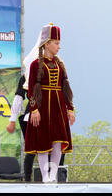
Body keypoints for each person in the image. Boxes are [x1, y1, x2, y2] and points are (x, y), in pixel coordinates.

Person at [24, 23, 75, 183]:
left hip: (58, 106)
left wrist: (70, 108)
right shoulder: (35, 65)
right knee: (42, 142)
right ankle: (45, 177)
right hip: (43, 106)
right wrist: (34, 109)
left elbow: (66, 88)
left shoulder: (60, 64)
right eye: (56, 43)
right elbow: (31, 89)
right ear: (47, 44)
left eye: (59, 43)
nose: (59, 46)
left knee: (58, 142)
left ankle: (53, 176)